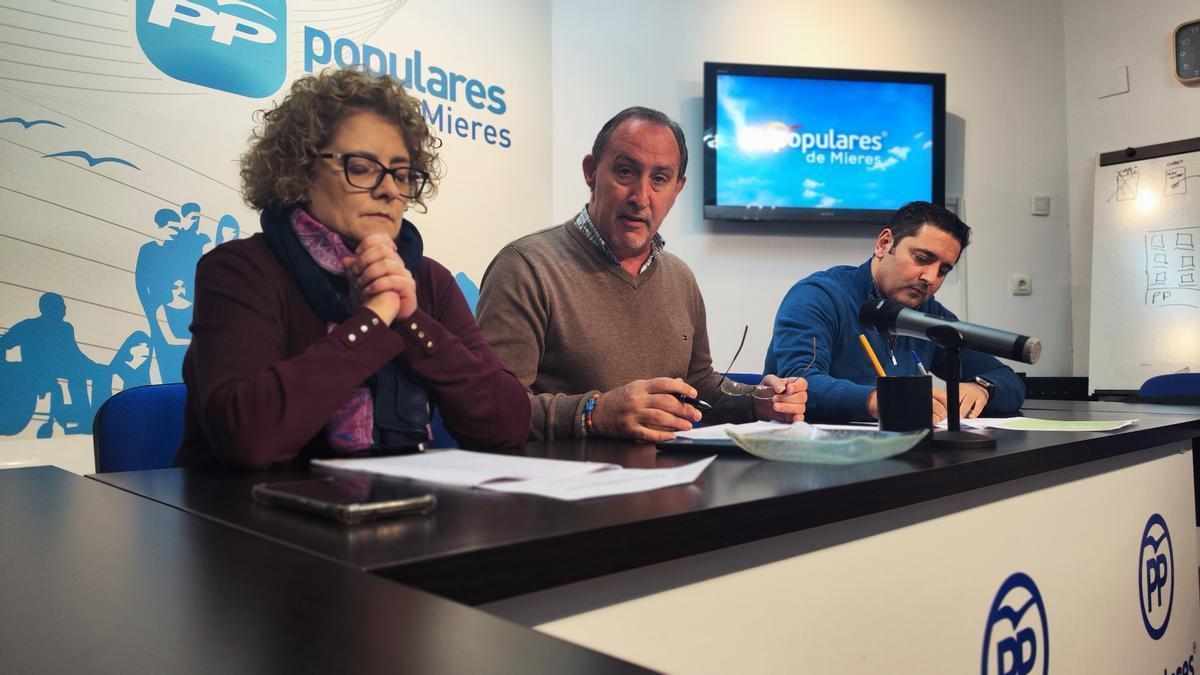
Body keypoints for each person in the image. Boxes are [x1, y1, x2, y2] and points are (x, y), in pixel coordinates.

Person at [175, 68, 529, 469]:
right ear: (301, 173)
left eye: (401, 173)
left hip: (394, 512)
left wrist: (411, 320)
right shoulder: (239, 269)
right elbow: (249, 439)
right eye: (361, 167)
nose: (389, 189)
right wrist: (375, 317)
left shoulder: (427, 279)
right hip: (246, 518)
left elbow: (509, 424)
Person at [476, 107, 807, 442]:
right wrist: (594, 414)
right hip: (562, 485)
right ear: (591, 172)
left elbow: (698, 385)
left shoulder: (680, 278)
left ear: (677, 189)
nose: (640, 197)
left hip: (670, 480)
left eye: (659, 179)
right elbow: (490, 408)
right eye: (625, 171)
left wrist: (757, 401)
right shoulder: (525, 267)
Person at [765, 201, 1025, 424]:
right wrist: (882, 401)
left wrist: (982, 389)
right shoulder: (818, 296)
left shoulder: (928, 314)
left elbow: (1008, 380)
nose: (930, 278)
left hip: (904, 458)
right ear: (884, 243)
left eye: (943, 270)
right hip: (816, 462)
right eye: (922, 258)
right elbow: (797, 383)